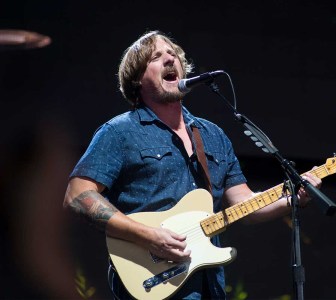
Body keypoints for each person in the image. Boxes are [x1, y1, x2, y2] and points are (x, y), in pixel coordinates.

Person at [63, 30, 322, 299]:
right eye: (156, 56)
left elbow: (243, 203)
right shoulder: (119, 132)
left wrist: (291, 199)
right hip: (150, 280)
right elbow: (77, 195)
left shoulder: (212, 135)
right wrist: (148, 236)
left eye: (172, 54)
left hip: (208, 284)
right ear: (138, 78)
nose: (168, 59)